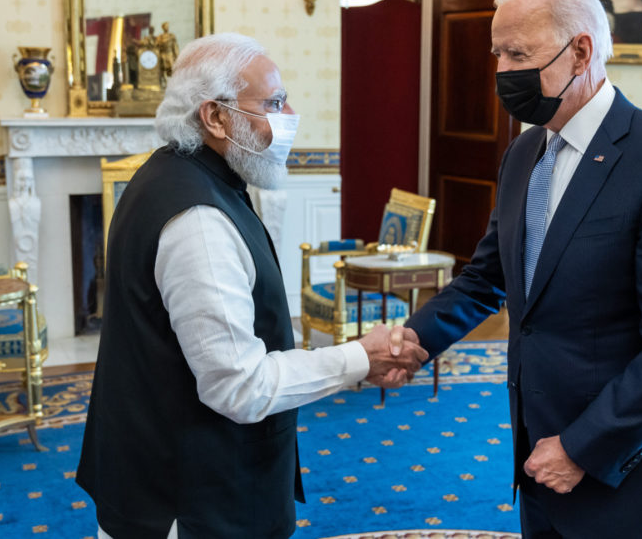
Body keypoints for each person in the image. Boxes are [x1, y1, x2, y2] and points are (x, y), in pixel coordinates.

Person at [391, 0, 642, 538]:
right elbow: (489, 275)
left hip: (623, 458)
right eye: (497, 54)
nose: (501, 73)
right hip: (535, 444)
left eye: (518, 53)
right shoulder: (524, 151)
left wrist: (582, 448)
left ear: (581, 51)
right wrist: (416, 338)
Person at [76, 33, 428, 539]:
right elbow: (238, 386)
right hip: (190, 500)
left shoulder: (175, 176)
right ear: (215, 117)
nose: (289, 116)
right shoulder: (197, 218)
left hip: (167, 474)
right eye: (273, 103)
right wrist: (359, 358)